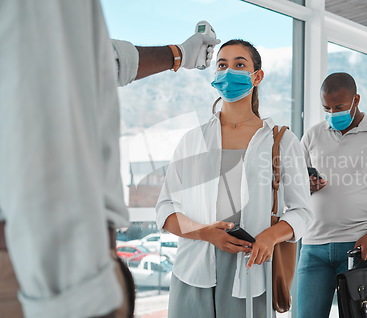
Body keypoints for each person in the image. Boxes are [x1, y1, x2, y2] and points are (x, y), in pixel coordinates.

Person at [0, 1, 219, 317]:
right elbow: (45, 88)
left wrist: (180, 54)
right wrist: (78, 292)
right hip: (45, 274)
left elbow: (95, 60)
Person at [155, 39, 312, 318]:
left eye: (240, 64)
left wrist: (271, 236)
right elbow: (165, 208)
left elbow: (302, 212)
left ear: (257, 76)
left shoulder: (282, 141)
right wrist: (204, 232)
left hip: (250, 270)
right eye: (222, 65)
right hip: (193, 268)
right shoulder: (193, 140)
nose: (229, 72)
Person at [297, 72, 367, 317]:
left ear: (356, 99)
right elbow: (294, 185)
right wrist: (306, 185)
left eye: (339, 107)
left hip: (358, 247)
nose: (333, 113)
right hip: (313, 247)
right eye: (327, 107)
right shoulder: (313, 135)